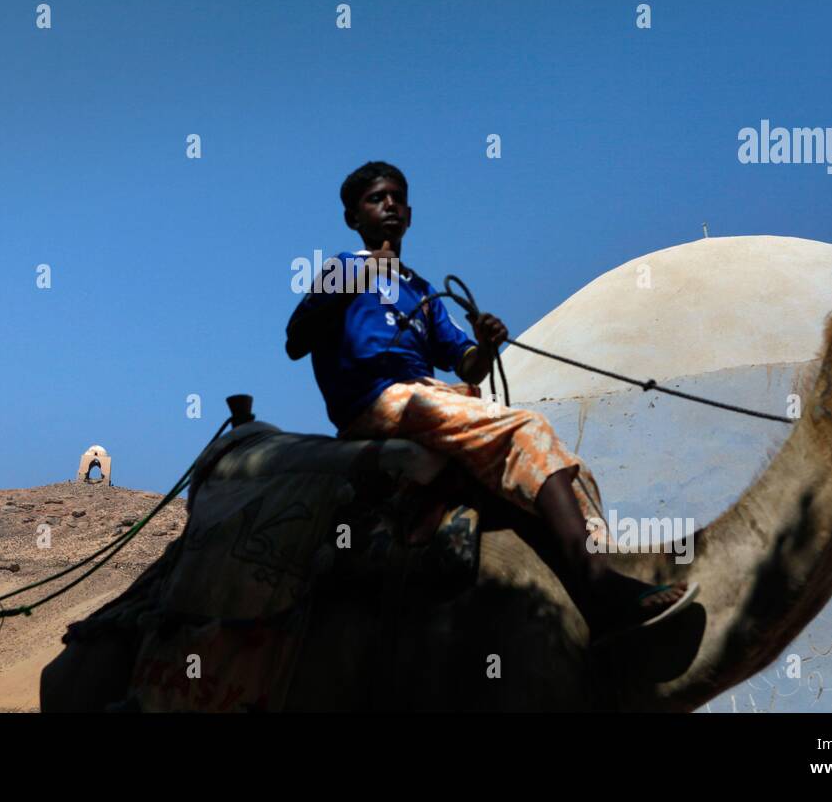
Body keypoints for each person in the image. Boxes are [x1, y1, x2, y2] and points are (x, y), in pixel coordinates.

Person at [285, 160, 697, 642]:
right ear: (354, 218)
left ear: (411, 213)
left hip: (431, 396)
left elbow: (467, 367)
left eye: (397, 197)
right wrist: (357, 277)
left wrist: (486, 342)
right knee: (527, 429)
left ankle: (596, 575)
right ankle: (599, 589)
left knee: (574, 470)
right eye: (377, 199)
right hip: (378, 401)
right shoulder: (342, 267)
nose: (390, 205)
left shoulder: (420, 288)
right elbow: (295, 340)